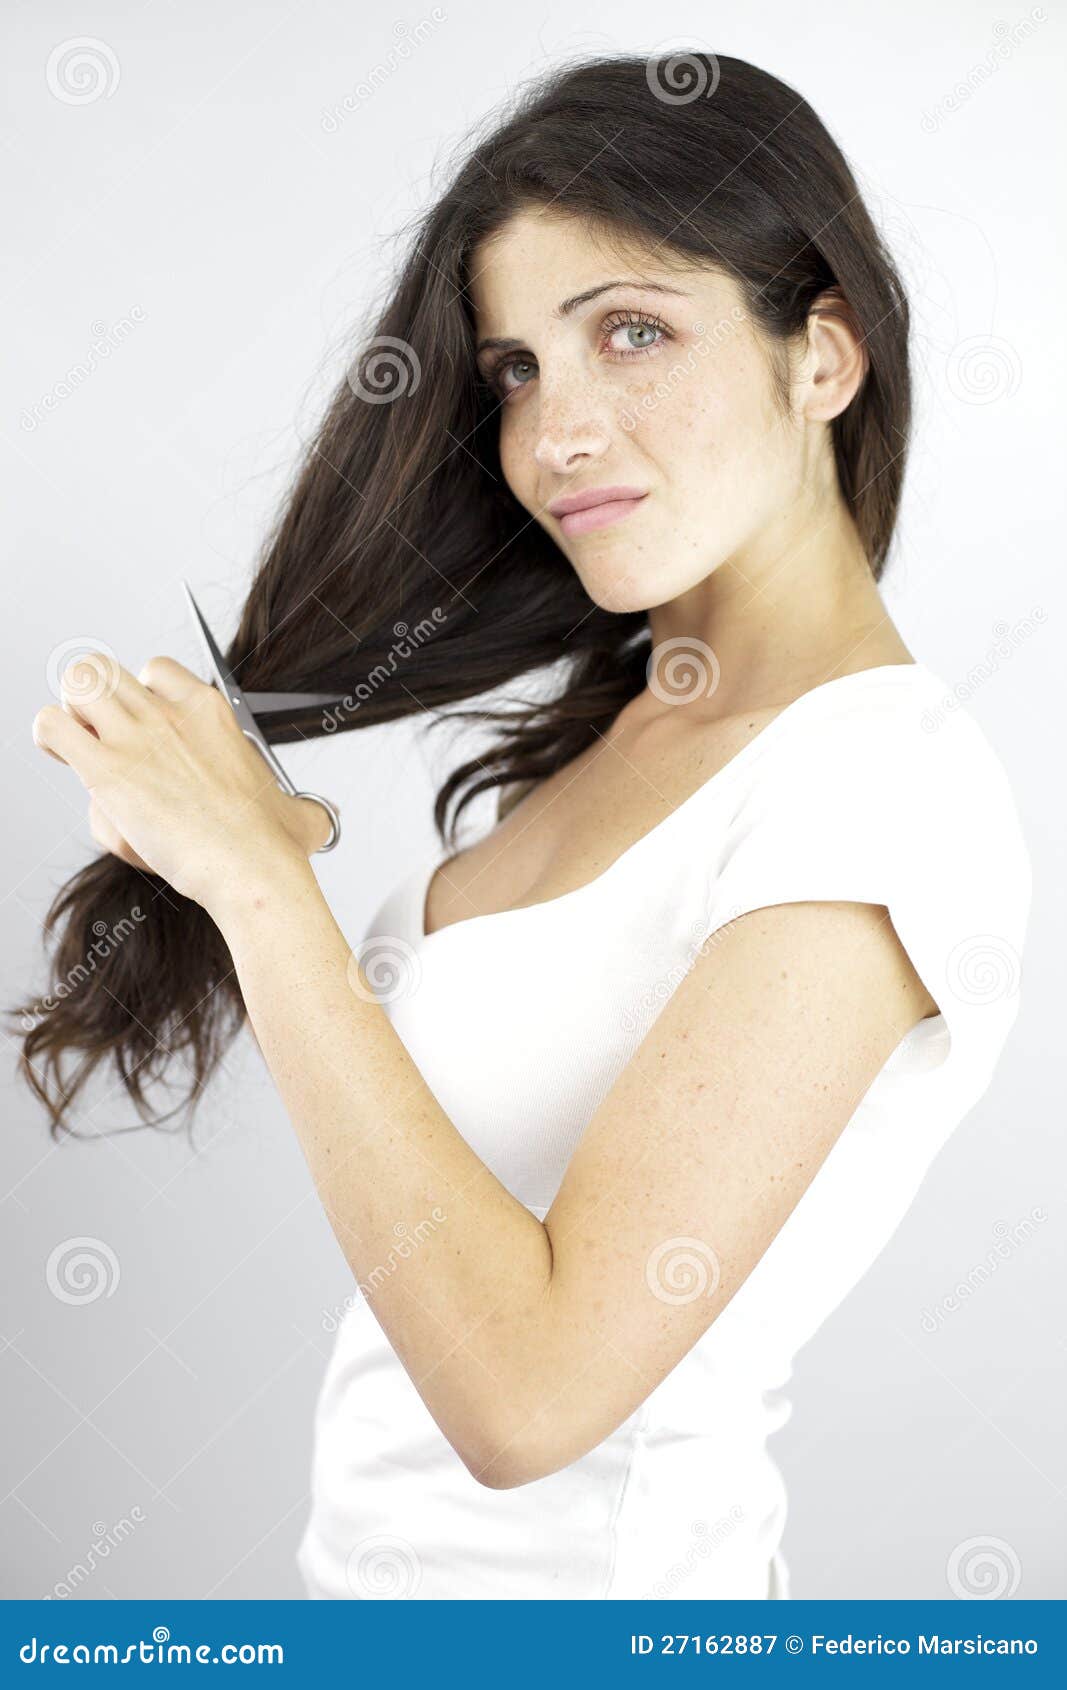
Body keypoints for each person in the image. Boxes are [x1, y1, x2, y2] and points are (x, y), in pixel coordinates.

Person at [21, 53, 1031, 1601]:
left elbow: (529, 1398)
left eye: (634, 332)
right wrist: (230, 853)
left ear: (822, 354)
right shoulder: (616, 732)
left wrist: (262, 891)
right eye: (516, 372)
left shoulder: (881, 790)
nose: (558, 432)